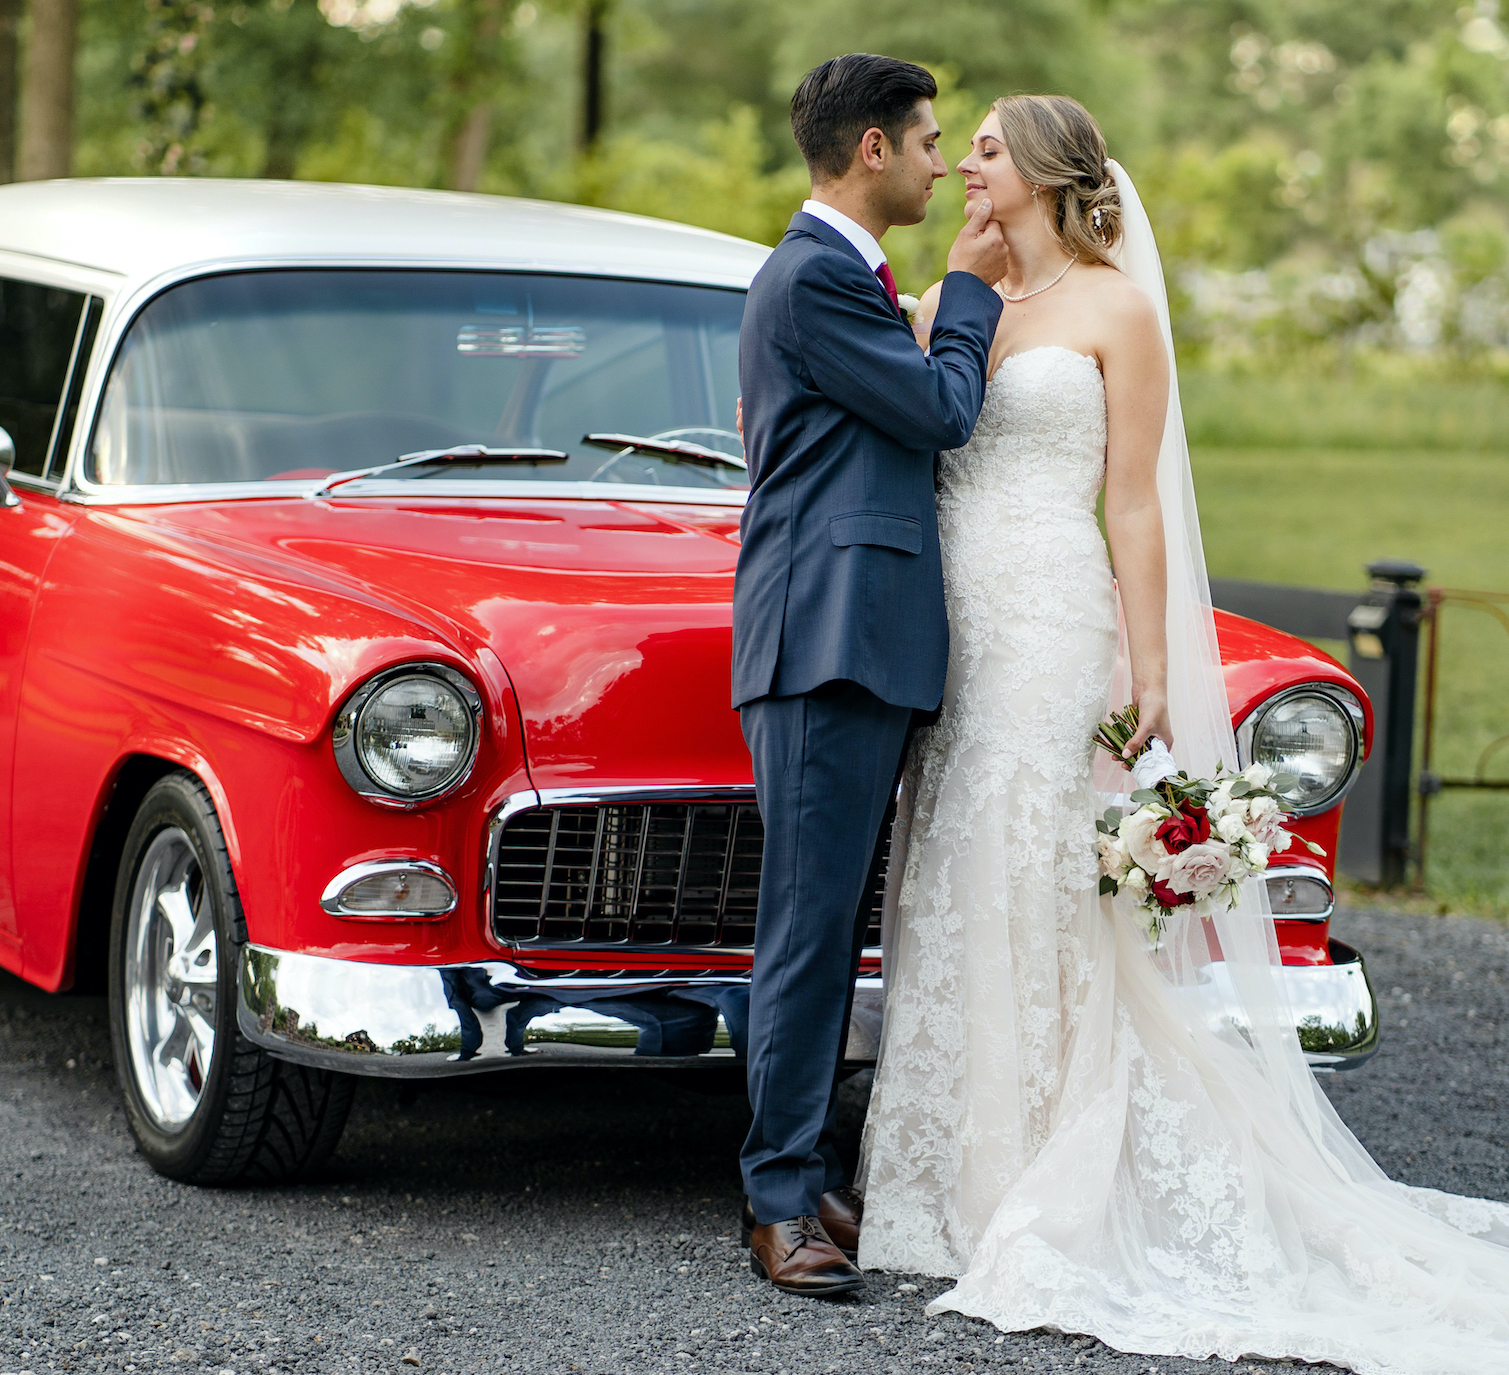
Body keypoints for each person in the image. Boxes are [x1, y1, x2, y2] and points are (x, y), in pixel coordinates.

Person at [857, 93, 1509, 1371]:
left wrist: (1150, 669)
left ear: (1044, 170)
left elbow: (1139, 506)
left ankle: (1039, 1166)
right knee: (951, 862)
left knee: (1035, 861)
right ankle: (933, 1176)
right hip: (957, 625)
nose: (964, 168)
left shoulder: (1116, 310)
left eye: (984, 149)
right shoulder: (951, 306)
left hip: (1049, 618)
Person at [731, 53, 1010, 1298]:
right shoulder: (813, 283)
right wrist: (970, 291)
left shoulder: (841, 279)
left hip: (865, 634)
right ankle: (777, 1198)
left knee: (835, 925)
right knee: (806, 927)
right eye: (932, 140)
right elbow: (945, 409)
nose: (946, 161)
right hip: (823, 640)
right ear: (872, 151)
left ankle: (805, 1169)